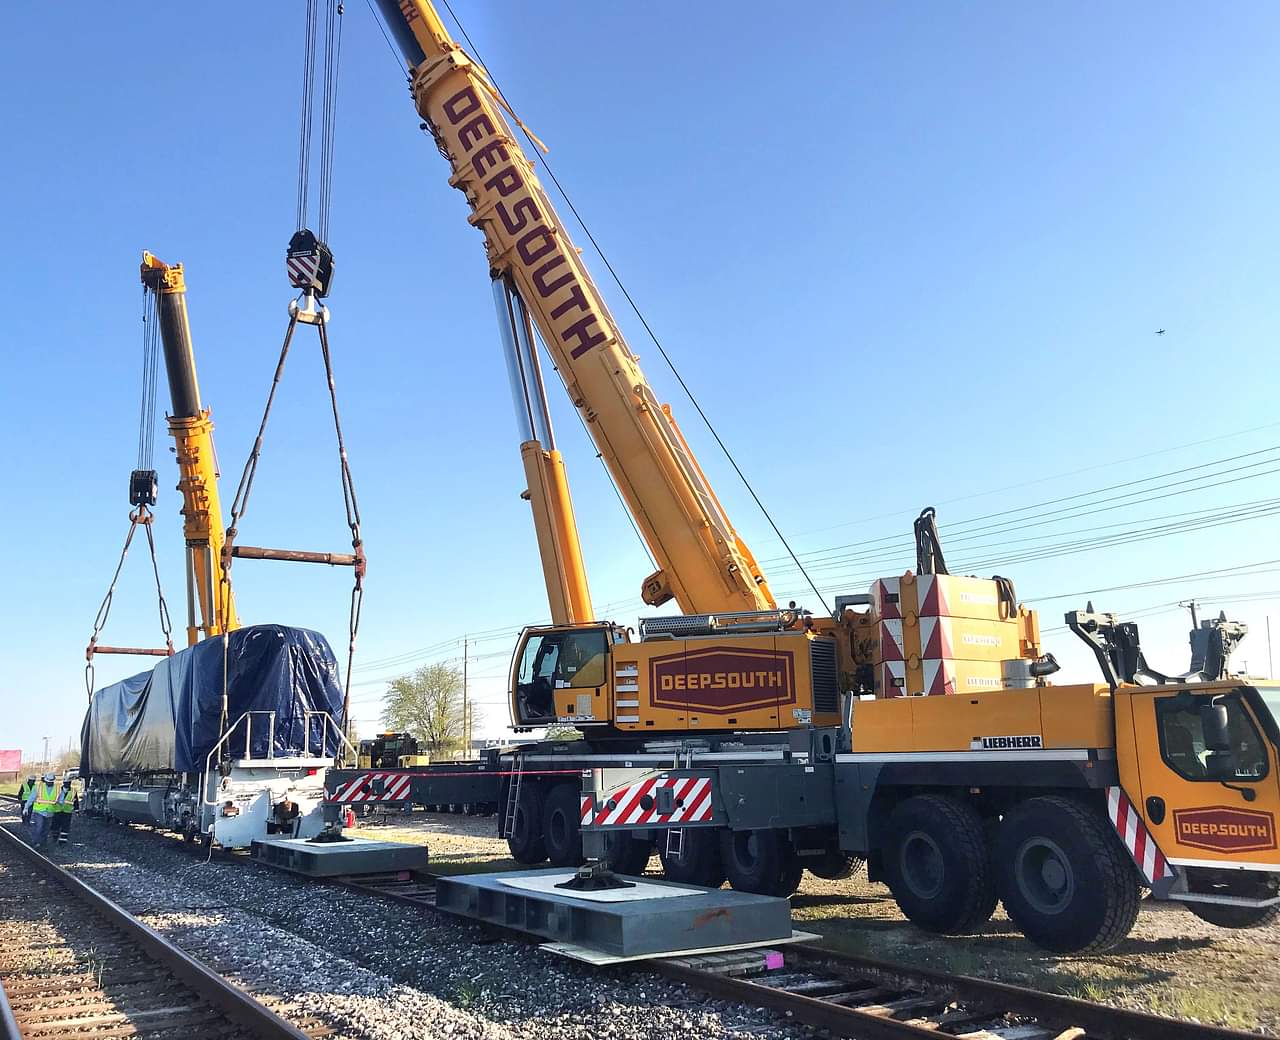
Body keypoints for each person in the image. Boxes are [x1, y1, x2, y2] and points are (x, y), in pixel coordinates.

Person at [24, 771, 60, 849]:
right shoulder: (39, 787)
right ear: (45, 780)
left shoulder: (57, 788)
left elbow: (60, 801)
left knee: (46, 829)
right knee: (39, 827)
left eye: (51, 782)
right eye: (48, 781)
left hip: (50, 812)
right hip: (38, 811)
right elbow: (31, 798)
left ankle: (43, 843)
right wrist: (26, 807)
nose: (49, 783)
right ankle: (36, 842)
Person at [51, 777, 74, 846]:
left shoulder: (73, 791)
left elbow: (75, 801)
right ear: (63, 783)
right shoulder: (58, 790)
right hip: (57, 811)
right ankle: (54, 838)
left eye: (69, 783)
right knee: (56, 826)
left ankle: (62, 842)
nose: (67, 784)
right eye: (66, 783)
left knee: (65, 827)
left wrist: (77, 810)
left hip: (67, 812)